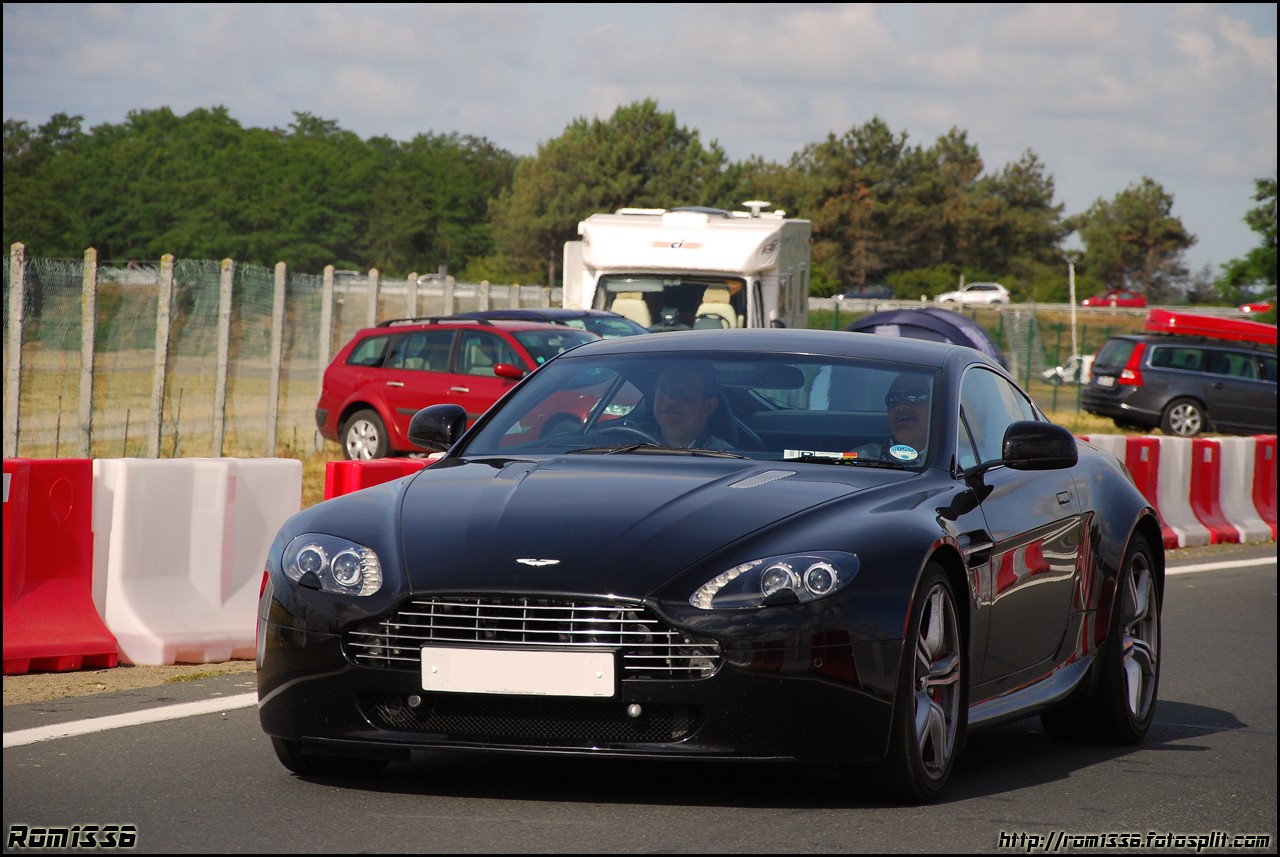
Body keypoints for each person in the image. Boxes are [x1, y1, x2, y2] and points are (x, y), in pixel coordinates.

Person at [853, 372, 932, 464]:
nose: (901, 406)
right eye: (893, 399)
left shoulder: (950, 464)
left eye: (914, 397)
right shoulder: (861, 458)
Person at [651, 363, 732, 450]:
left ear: (709, 407)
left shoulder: (728, 459)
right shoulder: (635, 449)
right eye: (663, 389)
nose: (670, 399)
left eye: (686, 391)